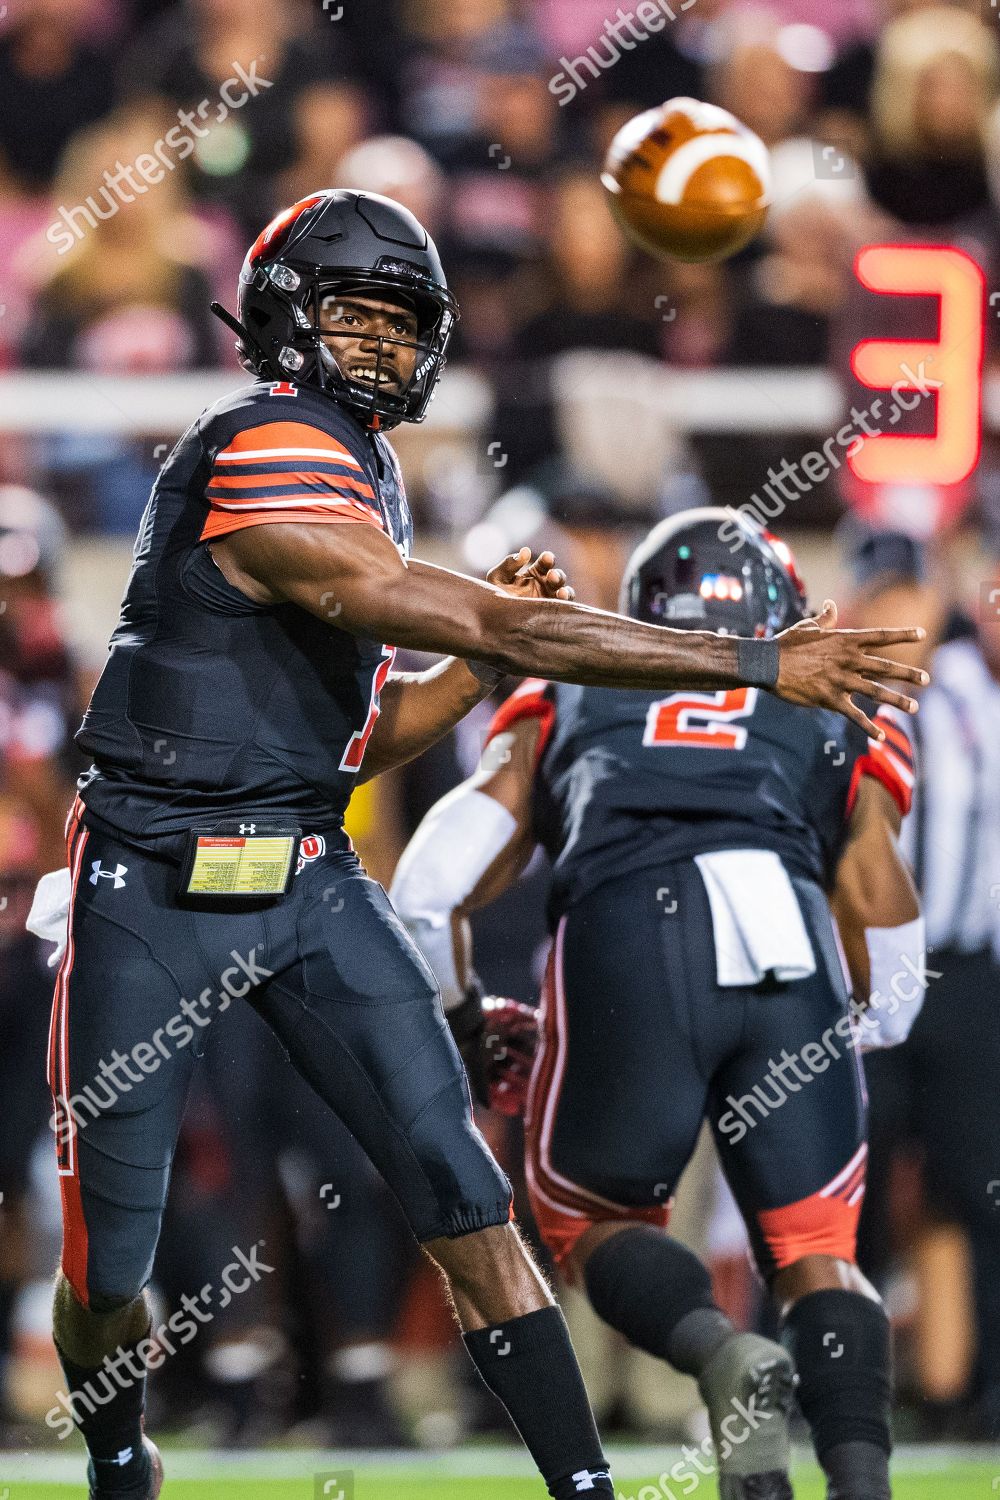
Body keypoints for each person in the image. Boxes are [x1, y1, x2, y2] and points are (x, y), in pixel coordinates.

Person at [41, 189, 924, 1500]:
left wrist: (460, 673)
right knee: (112, 1259)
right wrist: (755, 661)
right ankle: (120, 1452)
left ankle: (586, 1489)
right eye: (356, 315)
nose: (386, 347)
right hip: (150, 874)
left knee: (466, 1194)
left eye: (406, 324)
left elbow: (351, 742)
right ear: (286, 314)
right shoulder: (261, 437)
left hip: (304, 868)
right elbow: (476, 628)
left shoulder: (368, 465)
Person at [391, 510, 927, 1500]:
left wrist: (466, 1019)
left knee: (585, 1219)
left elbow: (427, 889)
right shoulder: (828, 706)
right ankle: (860, 1482)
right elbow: (887, 929)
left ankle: (720, 1356)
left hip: (628, 927)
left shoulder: (569, 684)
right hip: (786, 933)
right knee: (816, 1249)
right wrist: (855, 1030)